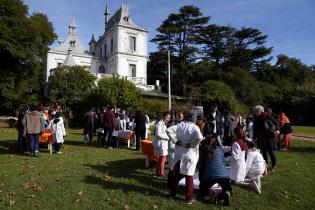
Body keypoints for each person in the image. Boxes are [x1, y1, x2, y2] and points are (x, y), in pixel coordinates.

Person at [170, 112, 204, 204]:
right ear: (194, 119)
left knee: (176, 176)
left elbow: (168, 130)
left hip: (179, 155)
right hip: (190, 155)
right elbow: (200, 137)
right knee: (189, 177)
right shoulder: (195, 127)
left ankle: (173, 194)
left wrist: (176, 141)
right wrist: (192, 145)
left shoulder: (180, 125)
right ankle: (188, 198)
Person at [199, 137, 232, 206]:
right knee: (229, 190)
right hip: (224, 175)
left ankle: (213, 195)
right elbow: (223, 163)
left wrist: (201, 179)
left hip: (209, 176)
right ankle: (225, 193)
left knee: (202, 191)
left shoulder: (203, 150)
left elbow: (201, 166)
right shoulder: (220, 150)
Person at [230, 127, 261, 194]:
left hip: (237, 166)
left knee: (235, 182)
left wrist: (226, 159)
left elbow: (235, 157)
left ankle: (250, 185)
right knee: (241, 179)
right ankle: (254, 179)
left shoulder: (235, 143)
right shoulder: (243, 141)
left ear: (236, 134)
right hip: (242, 164)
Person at [253, 105, 279, 172]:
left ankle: (274, 165)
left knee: (270, 152)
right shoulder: (256, 118)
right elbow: (255, 129)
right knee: (264, 152)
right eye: (255, 111)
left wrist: (277, 129)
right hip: (260, 138)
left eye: (256, 111)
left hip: (268, 137)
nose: (255, 112)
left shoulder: (266, 116)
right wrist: (254, 137)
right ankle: (265, 165)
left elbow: (276, 122)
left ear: (259, 111)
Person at [153, 112, 171, 178]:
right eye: (167, 117)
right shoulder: (160, 124)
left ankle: (157, 172)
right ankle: (161, 173)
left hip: (162, 144)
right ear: (163, 116)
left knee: (160, 159)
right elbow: (158, 134)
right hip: (161, 144)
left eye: (169, 118)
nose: (168, 119)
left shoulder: (163, 124)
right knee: (162, 159)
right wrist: (168, 137)